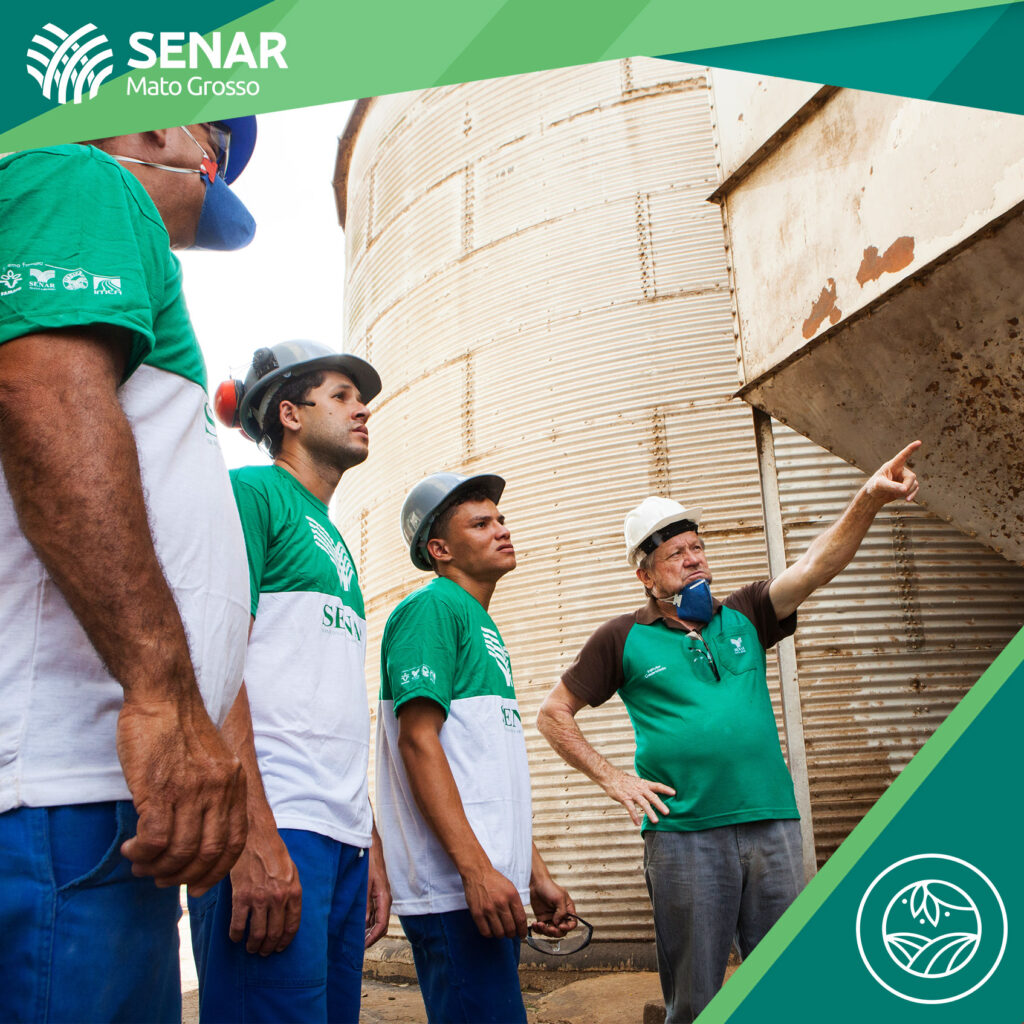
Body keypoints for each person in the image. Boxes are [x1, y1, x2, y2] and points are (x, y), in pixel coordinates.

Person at [0, 121, 259, 1022]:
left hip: (89, 796)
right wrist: (162, 697)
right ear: (154, 126)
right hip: (65, 793)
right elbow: (44, 396)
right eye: (213, 144)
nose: (212, 174)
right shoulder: (82, 177)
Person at [537, 442, 922, 1023]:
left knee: (787, 986)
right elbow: (553, 713)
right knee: (697, 999)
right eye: (675, 553)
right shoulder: (623, 637)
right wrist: (614, 778)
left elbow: (816, 565)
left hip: (772, 825)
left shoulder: (744, 613)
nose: (693, 559)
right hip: (685, 836)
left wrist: (868, 497)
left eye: (697, 547)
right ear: (645, 574)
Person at [192, 341, 391, 1023]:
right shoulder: (252, 495)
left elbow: (327, 700)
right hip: (274, 823)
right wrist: (250, 831)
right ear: (290, 414)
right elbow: (211, 659)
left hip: (337, 837)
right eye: (341, 396)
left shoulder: (332, 539)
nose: (363, 409)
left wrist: (368, 841)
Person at [376, 472, 577, 1024]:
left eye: (501, 520)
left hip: (491, 888)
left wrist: (532, 874)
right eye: (481, 523)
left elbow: (488, 778)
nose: (502, 530)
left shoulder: (480, 623)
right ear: (439, 549)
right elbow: (418, 742)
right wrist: (476, 872)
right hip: (457, 892)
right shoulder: (432, 609)